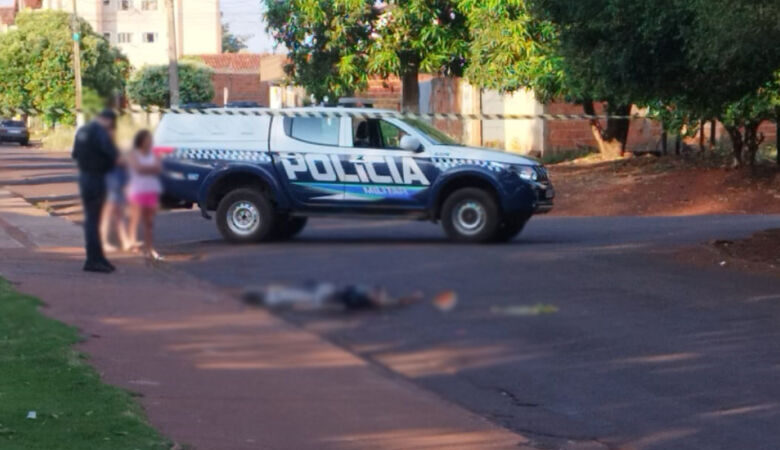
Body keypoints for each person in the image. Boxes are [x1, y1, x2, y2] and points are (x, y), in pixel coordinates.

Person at [72, 109, 119, 273]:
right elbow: (112, 153)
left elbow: (75, 154)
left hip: (85, 177)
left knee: (93, 220)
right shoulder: (100, 132)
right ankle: (93, 260)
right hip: (97, 178)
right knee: (94, 222)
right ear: (107, 120)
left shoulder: (82, 130)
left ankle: (98, 257)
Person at [127, 130, 163, 261]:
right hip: (137, 190)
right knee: (135, 219)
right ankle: (133, 244)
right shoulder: (134, 154)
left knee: (149, 222)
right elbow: (138, 169)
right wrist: (150, 169)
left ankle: (150, 247)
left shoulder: (154, 154)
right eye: (147, 139)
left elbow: (158, 169)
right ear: (141, 141)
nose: (149, 142)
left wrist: (147, 169)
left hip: (151, 189)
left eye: (150, 140)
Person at [100, 157, 131, 252]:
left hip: (117, 184)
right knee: (107, 216)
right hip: (111, 186)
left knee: (119, 217)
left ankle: (125, 241)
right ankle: (102, 243)